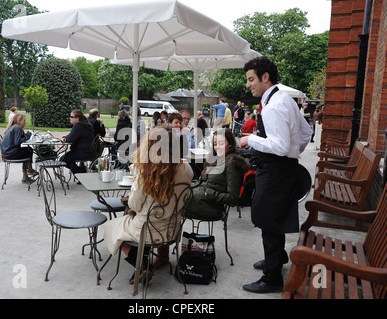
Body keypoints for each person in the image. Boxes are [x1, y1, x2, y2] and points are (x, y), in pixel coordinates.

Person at [239, 56, 312, 293]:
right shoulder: (285, 99)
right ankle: (277, 259)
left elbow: (279, 146)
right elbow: (306, 132)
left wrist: (251, 139)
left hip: (276, 170)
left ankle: (271, 279)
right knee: (271, 217)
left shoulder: (274, 106)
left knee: (269, 221)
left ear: (265, 77)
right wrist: (294, 154)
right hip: (283, 169)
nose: (248, 84)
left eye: (251, 79)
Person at [103, 126, 193, 283]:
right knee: (140, 221)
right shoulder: (187, 169)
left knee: (112, 227)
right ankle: (152, 258)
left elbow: (135, 205)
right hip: (172, 228)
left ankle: (143, 264)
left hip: (146, 230)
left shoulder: (146, 171)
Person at [153, 128, 249, 269]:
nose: (217, 147)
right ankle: (162, 248)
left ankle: (161, 250)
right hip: (200, 199)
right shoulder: (216, 159)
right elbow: (205, 183)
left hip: (210, 207)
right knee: (167, 199)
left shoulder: (232, 163)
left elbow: (233, 198)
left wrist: (209, 194)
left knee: (167, 204)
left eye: (221, 143)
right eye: (215, 144)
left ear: (230, 144)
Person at [1, 114, 38, 182]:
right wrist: (28, 134)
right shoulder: (17, 128)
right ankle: (29, 171)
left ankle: (28, 172)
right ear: (19, 121)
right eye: (24, 120)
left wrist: (26, 135)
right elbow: (17, 142)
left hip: (6, 154)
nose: (25, 122)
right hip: (11, 154)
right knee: (28, 150)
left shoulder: (13, 127)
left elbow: (17, 140)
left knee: (27, 150)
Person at [60, 110, 94, 175]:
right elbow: (71, 136)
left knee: (62, 159)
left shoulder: (78, 126)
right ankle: (80, 172)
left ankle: (80, 172)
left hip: (82, 153)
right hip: (89, 152)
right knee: (66, 158)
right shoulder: (85, 125)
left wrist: (65, 138)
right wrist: (65, 137)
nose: (70, 118)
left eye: (71, 117)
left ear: (77, 118)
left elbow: (70, 139)